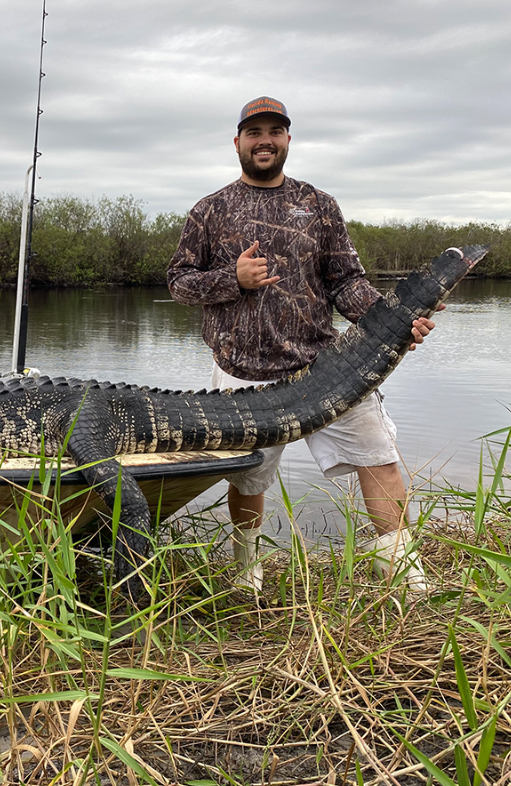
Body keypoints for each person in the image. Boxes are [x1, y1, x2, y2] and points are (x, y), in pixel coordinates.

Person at [167, 96, 432, 595]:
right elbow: (179, 283)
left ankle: (401, 569)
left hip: (326, 369)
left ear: (288, 139)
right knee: (248, 477)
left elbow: (347, 282)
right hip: (243, 374)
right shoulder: (209, 210)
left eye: (274, 131)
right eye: (254, 132)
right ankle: (247, 568)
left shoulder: (320, 205)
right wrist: (232, 279)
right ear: (238, 142)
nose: (264, 140)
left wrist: (395, 324)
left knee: (378, 457)